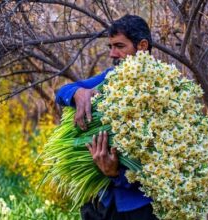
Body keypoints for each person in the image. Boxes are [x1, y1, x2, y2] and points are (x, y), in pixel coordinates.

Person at [55, 15, 158, 220]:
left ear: (142, 46)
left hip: (138, 208)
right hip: (99, 202)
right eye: (110, 46)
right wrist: (77, 93)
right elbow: (61, 92)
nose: (112, 54)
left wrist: (116, 174)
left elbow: (160, 167)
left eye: (119, 46)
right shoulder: (111, 78)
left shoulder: (162, 92)